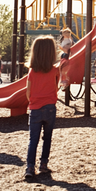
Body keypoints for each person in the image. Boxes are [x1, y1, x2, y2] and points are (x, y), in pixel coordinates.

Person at [25, 35, 60, 179]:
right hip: (50, 107)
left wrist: (33, 101)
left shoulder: (32, 71)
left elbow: (28, 91)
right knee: (47, 138)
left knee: (33, 139)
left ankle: (30, 167)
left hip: (35, 108)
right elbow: (55, 88)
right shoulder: (54, 71)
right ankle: (43, 164)